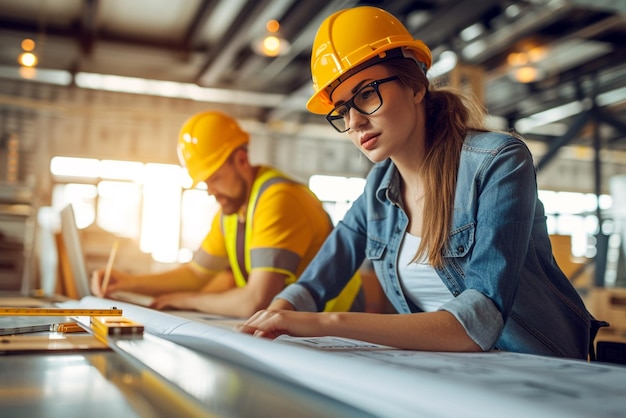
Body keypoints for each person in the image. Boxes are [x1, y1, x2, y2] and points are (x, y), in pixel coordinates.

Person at [237, 6, 607, 359]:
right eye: (342, 109)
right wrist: (274, 316)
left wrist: (326, 323)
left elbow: (479, 318)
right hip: (451, 376)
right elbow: (314, 284)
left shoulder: (499, 162)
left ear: (415, 86)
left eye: (366, 94)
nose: (354, 122)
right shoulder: (379, 191)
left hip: (539, 371)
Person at [91, 111, 362, 318]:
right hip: (301, 325)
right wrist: (127, 282)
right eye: (206, 182)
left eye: (216, 178)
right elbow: (195, 274)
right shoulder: (231, 212)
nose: (211, 191)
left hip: (339, 323)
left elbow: (255, 301)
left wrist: (186, 299)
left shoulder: (278, 199)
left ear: (242, 160)